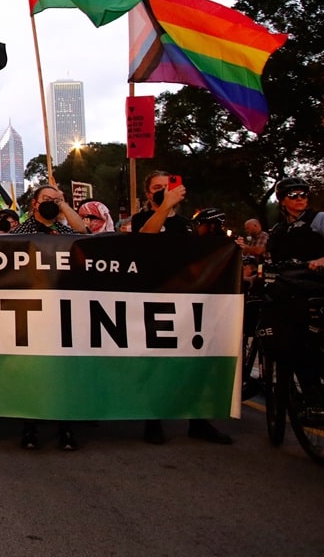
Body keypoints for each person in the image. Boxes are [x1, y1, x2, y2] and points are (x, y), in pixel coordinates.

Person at [131, 172, 233, 446]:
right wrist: (164, 206)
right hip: (154, 298)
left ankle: (198, 420)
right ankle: (153, 420)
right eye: (156, 188)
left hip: (188, 301)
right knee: (156, 361)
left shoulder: (187, 225)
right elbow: (144, 240)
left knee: (192, 361)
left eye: (167, 187)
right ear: (148, 194)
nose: (162, 191)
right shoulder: (142, 219)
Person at [10, 185, 79, 450]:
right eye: (46, 199)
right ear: (34, 204)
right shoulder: (21, 231)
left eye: (56, 199)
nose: (51, 203)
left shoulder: (65, 231)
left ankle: (66, 427)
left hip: (62, 309)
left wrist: (62, 206)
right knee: (33, 371)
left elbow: (82, 233)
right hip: (31, 308)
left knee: (63, 372)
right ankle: (30, 427)